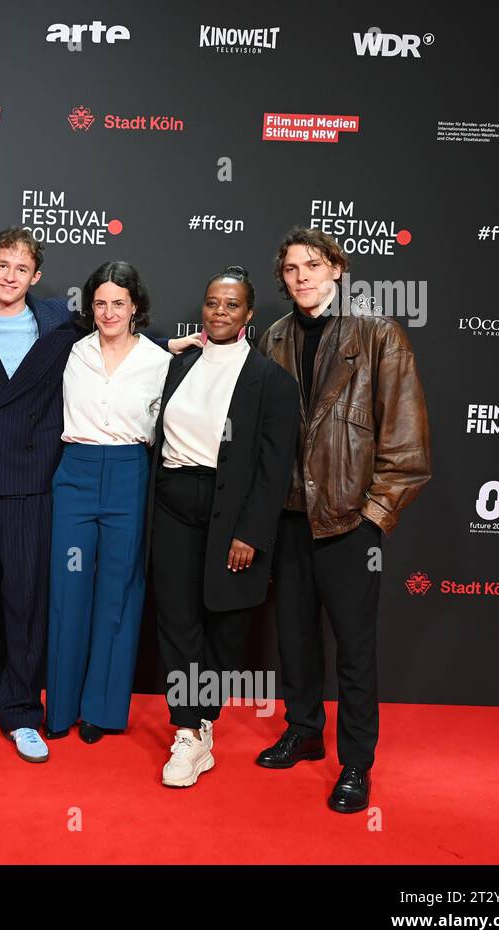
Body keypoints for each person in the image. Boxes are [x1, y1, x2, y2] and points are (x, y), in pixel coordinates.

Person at [0, 227, 196, 764]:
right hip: (10, 475)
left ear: (35, 277)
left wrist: (174, 343)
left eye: (22, 268)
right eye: (2, 265)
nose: (108, 311)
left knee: (50, 599)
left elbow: (147, 351)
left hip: (65, 476)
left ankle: (38, 709)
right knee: (1, 596)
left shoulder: (60, 328)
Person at [255, 228, 431, 813]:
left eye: (313, 264)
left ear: (336, 268)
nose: (302, 276)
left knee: (354, 648)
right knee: (295, 639)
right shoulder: (273, 338)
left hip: (349, 523)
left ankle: (356, 762)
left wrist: (372, 519)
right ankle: (304, 731)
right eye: (291, 269)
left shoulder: (379, 334)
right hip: (288, 518)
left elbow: (406, 448)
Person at [148, 266, 298, 787]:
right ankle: (186, 732)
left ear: (248, 315)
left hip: (230, 513)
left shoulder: (271, 381)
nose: (219, 312)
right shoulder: (177, 366)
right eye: (212, 302)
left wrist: (251, 533)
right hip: (171, 504)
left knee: (226, 624)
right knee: (176, 621)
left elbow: (274, 466)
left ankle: (203, 719)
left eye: (231, 305)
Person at [44, 262, 171, 744]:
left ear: (135, 305)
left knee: (119, 592)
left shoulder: (159, 361)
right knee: (67, 590)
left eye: (119, 302)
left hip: (129, 474)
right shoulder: (69, 351)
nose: (109, 311)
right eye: (100, 302)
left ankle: (101, 709)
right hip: (74, 471)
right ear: (89, 306)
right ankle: (59, 709)